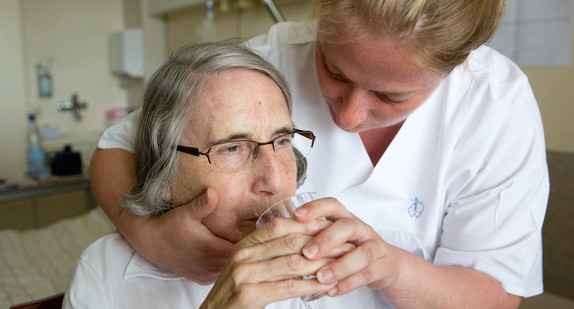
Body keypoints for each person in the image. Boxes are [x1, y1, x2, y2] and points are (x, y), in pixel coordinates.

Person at [90, 0, 549, 307]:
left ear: (455, 67)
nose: (348, 118)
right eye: (333, 70)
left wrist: (390, 268)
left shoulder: (494, 107)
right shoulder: (262, 65)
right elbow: (117, 147)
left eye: (390, 98)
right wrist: (151, 236)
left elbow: (495, 294)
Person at [65, 42, 355, 308]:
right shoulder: (104, 276)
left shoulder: (315, 261)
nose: (276, 181)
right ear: (164, 172)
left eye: (282, 141)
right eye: (231, 149)